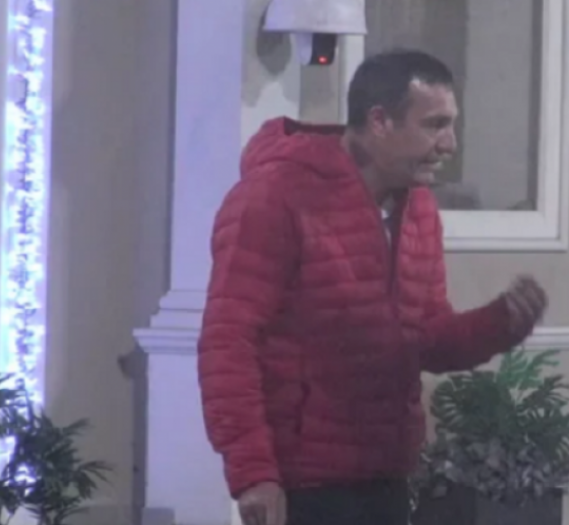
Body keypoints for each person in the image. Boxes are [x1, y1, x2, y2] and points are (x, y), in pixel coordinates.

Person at [196, 48, 548, 525]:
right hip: (302, 484)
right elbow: (228, 342)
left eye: (451, 125)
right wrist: (253, 471)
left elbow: (426, 338)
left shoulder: (419, 209)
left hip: (385, 477)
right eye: (435, 125)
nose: (450, 144)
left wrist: (500, 323)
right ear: (379, 121)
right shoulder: (274, 196)